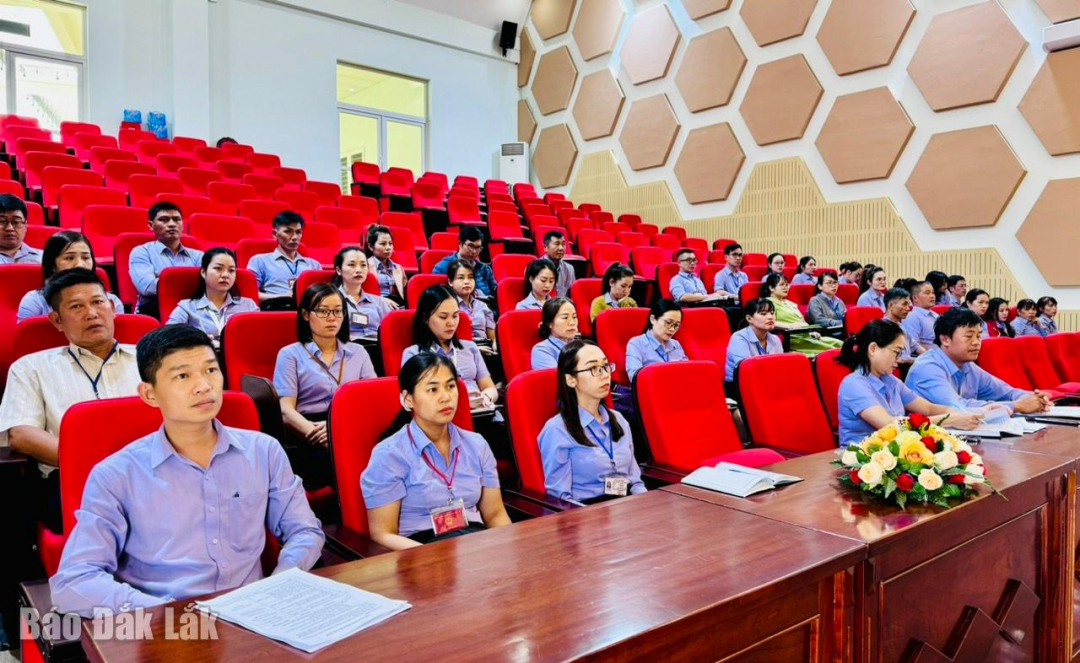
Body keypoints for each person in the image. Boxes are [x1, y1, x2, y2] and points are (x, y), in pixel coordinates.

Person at [49, 324, 324, 617]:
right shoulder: (116, 475)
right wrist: (168, 613)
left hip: (256, 617)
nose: (204, 386)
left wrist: (280, 582)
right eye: (183, 375)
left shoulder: (263, 451)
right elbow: (75, 581)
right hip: (165, 629)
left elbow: (305, 530)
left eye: (210, 370)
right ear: (149, 395)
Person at [0, 269, 141, 530]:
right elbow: (21, 434)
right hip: (76, 481)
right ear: (56, 320)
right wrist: (96, 464)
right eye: (76, 306)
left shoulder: (151, 359)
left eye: (98, 302)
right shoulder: (31, 367)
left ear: (112, 308)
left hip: (155, 474)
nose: (91, 313)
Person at [361, 353, 511, 549]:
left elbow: (495, 514)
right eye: (433, 389)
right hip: (420, 551)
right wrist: (434, 559)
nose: (446, 397)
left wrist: (509, 549)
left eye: (450, 386)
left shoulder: (477, 445)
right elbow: (383, 534)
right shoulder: (389, 454)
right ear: (408, 400)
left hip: (475, 545)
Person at [274, 283, 376, 489]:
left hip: (351, 426)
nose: (332, 318)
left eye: (338, 311)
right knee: (336, 464)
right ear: (305, 314)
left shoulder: (358, 352)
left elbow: (370, 400)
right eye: (323, 311)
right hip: (310, 433)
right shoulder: (290, 354)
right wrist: (320, 435)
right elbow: (286, 410)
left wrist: (338, 430)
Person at [836, 319, 983, 447]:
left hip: (892, 456)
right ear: (873, 349)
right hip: (861, 462)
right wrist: (947, 420)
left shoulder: (890, 380)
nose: (899, 359)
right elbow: (889, 425)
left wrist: (962, 413)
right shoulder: (854, 384)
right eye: (896, 352)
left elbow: (929, 408)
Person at [537, 339, 645, 503]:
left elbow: (635, 481)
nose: (605, 374)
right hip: (587, 514)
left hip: (626, 506)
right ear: (571, 380)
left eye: (606, 366)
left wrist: (647, 505)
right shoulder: (557, 430)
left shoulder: (619, 420)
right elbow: (560, 499)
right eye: (594, 368)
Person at [906, 307, 1052, 414]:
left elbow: (1006, 392)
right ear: (945, 339)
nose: (976, 342)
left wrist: (1034, 399)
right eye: (969, 336)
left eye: (979, 336)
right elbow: (958, 407)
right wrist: (1017, 406)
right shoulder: (927, 367)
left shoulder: (968, 365)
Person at [402, 286, 498, 406]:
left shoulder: (470, 347)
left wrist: (486, 397)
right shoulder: (413, 354)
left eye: (455, 316)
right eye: (443, 317)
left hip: (482, 413)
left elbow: (490, 388)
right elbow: (415, 400)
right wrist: (461, 402)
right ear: (425, 318)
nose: (451, 323)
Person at [17, 231, 123, 322]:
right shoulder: (34, 301)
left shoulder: (111, 301)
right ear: (53, 265)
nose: (80, 264)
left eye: (85, 257)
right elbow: (27, 341)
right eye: (70, 258)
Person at [165, 247, 258, 347]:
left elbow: (259, 336)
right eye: (218, 268)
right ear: (203, 272)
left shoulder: (248, 306)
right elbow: (167, 335)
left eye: (231, 270)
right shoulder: (187, 307)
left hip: (239, 357)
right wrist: (195, 337)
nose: (225, 275)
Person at [129, 202, 203, 317]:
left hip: (193, 311)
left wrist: (163, 281)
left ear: (183, 225)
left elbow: (210, 285)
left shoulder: (198, 256)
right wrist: (190, 284)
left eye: (176, 219)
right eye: (164, 220)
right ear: (150, 225)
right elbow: (147, 287)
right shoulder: (142, 252)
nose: (172, 224)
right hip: (154, 311)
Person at [247, 211, 321, 310]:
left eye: (298, 232)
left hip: (309, 312)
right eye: (288, 231)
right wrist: (281, 296)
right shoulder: (259, 261)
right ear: (274, 234)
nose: (295, 237)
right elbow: (249, 294)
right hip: (276, 310)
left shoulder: (314, 264)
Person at [762, 273, 842, 357]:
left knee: (839, 343)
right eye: (782, 285)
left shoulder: (791, 303)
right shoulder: (767, 303)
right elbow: (766, 322)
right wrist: (789, 326)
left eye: (787, 284)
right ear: (771, 288)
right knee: (833, 350)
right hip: (792, 338)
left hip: (807, 335)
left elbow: (802, 320)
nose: (786, 287)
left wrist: (811, 331)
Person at [625, 299, 688, 383]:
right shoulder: (636, 343)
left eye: (676, 325)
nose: (672, 329)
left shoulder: (676, 345)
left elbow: (688, 371)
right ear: (653, 319)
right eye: (668, 322)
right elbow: (634, 378)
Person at [334, 246, 389, 340]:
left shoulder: (379, 302)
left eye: (363, 265)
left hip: (377, 349)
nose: (358, 270)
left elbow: (391, 330)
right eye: (352, 265)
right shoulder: (329, 301)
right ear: (339, 270)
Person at [725, 298, 784, 383]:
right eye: (763, 314)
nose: (770, 317)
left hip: (768, 381)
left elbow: (780, 367)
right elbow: (747, 371)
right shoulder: (739, 338)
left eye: (772, 313)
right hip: (740, 386)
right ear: (749, 319)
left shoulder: (775, 339)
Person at [432, 226, 497, 300]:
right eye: (470, 246)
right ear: (460, 244)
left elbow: (496, 293)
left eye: (478, 247)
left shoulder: (485, 269)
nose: (474, 251)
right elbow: (439, 298)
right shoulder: (442, 268)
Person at [447, 259, 495, 342]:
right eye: (461, 278)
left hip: (486, 347)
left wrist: (495, 345)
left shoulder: (483, 306)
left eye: (470, 277)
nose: (466, 282)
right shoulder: (447, 306)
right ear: (450, 282)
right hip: (461, 349)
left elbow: (492, 338)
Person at [365, 224, 407, 309]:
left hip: (398, 306)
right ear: (370, 246)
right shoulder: (365, 266)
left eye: (390, 244)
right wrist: (381, 300)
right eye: (383, 244)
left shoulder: (398, 268)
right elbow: (360, 293)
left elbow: (405, 293)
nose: (388, 248)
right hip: (375, 306)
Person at [532, 297, 579, 369]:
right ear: (549, 323)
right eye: (565, 317)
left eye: (574, 317)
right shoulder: (542, 350)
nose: (572, 322)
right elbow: (559, 378)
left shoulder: (580, 345)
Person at [0, 193, 41, 265]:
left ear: (25, 226)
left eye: (16, 222)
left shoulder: (44, 259)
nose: (10, 228)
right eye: (2, 221)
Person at [883, 287, 920, 362]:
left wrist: (928, 356)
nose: (908, 308)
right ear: (891, 306)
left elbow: (915, 346)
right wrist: (921, 361)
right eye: (904, 304)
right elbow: (898, 358)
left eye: (908, 304)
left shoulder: (900, 325)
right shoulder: (883, 328)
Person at [903, 280, 939, 353]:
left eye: (933, 292)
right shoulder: (912, 316)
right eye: (927, 293)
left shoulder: (936, 315)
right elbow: (913, 344)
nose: (932, 296)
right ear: (915, 298)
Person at [542, 229, 575, 296]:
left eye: (563, 244)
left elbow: (572, 295)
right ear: (545, 247)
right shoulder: (535, 267)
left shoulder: (569, 268)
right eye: (557, 244)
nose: (561, 248)